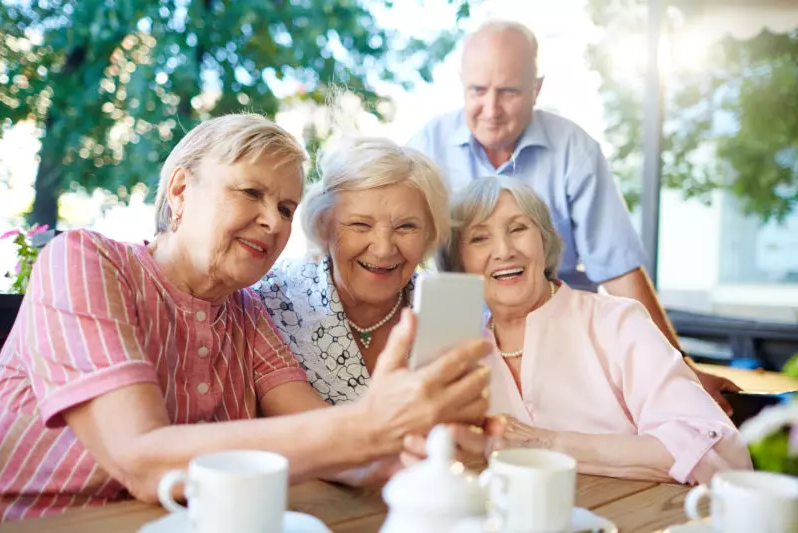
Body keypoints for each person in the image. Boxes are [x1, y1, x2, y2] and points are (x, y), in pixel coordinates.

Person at [0, 114, 491, 523]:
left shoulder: (248, 313)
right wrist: (369, 425)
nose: (274, 221)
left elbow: (323, 430)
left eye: (285, 207)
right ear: (180, 189)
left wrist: (413, 451)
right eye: (251, 192)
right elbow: (141, 457)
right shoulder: (83, 261)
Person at [407, 20, 740, 411]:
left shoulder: (575, 151)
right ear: (462, 83)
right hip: (464, 344)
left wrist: (682, 371)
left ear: (536, 88)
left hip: (564, 346)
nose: (491, 109)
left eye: (509, 91)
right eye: (478, 90)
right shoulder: (426, 148)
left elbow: (620, 273)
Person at [436, 176, 752, 484]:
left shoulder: (617, 322)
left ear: (544, 241)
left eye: (518, 228)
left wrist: (546, 443)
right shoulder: (459, 350)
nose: (504, 250)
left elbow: (716, 450)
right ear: (458, 262)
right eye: (479, 237)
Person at [255, 137, 450, 404]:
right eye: (360, 225)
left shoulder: (446, 309)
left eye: (406, 227)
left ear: (429, 233)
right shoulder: (270, 301)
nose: (383, 249)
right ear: (324, 226)